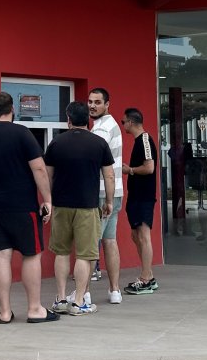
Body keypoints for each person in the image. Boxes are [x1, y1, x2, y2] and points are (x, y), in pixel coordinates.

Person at [0, 92, 58, 324]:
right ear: (12, 109)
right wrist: (47, 199)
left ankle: (4, 312)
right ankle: (34, 309)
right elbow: (39, 169)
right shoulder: (23, 134)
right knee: (31, 254)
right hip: (22, 205)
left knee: (0, 255)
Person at [47, 101, 115, 316]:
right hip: (87, 206)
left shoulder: (56, 143)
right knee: (85, 255)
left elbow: (47, 175)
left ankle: (60, 299)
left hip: (61, 206)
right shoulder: (99, 143)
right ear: (88, 118)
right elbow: (109, 175)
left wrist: (49, 199)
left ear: (68, 119)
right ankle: (78, 302)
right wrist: (109, 201)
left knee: (61, 253)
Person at [87, 87, 123, 303]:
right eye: (90, 101)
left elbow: (93, 161)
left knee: (92, 242)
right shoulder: (111, 126)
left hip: (103, 192)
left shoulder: (102, 129)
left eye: (97, 102)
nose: (92, 105)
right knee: (109, 241)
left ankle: (85, 292)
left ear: (107, 104)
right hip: (114, 192)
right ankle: (114, 291)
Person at [121, 108, 159, 295]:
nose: (123, 125)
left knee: (143, 235)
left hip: (144, 195)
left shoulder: (144, 139)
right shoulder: (138, 141)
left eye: (124, 122)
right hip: (136, 195)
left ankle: (146, 278)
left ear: (131, 122)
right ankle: (148, 274)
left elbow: (149, 167)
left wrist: (130, 171)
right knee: (136, 236)